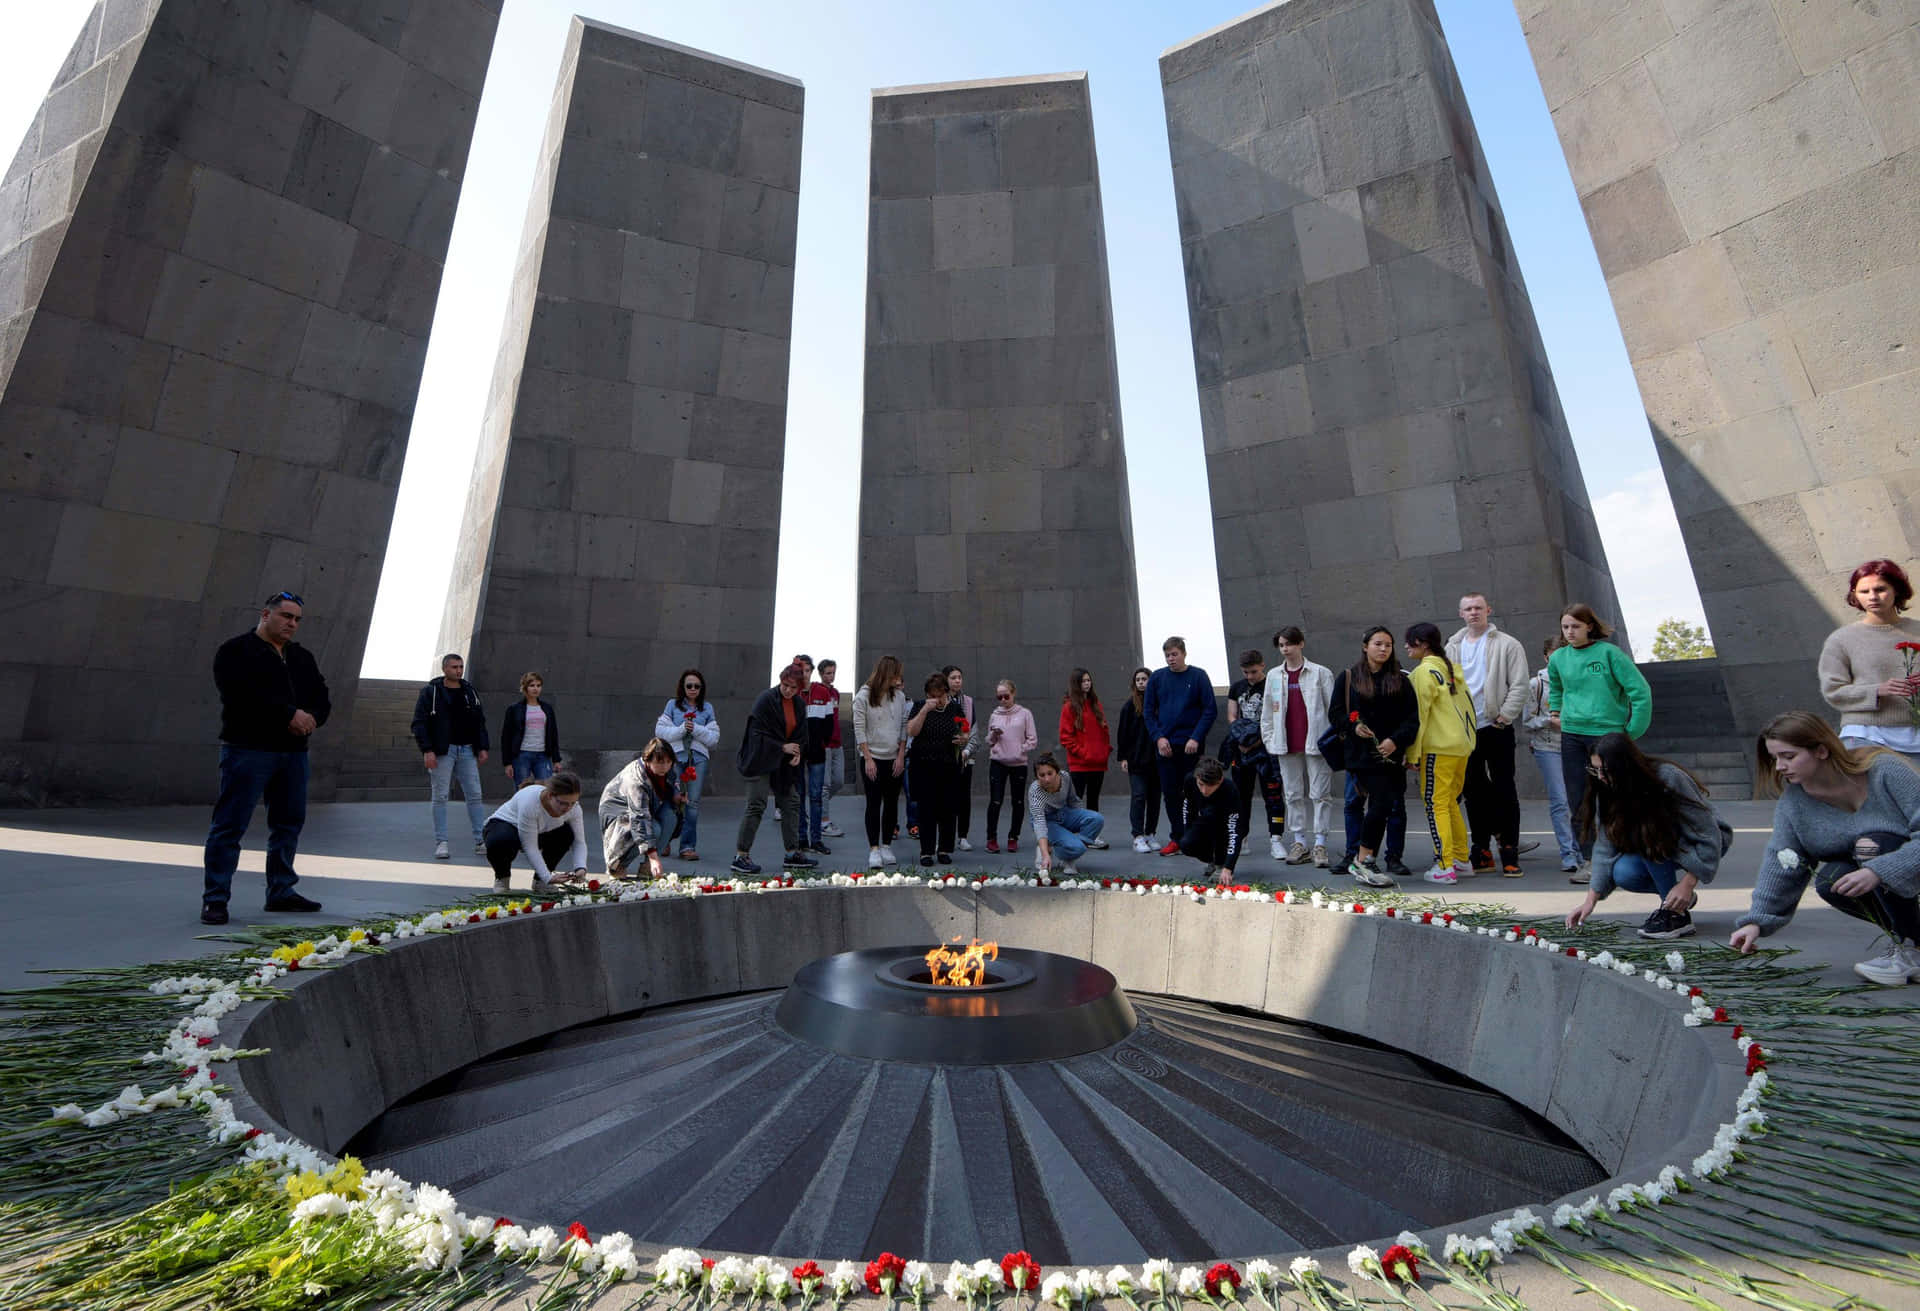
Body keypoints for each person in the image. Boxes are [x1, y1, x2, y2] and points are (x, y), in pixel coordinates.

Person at [1730, 711, 1920, 983]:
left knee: (1870, 846)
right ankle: (1913, 945)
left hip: (1909, 864)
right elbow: (1783, 862)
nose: (1779, 766)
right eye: (1774, 758)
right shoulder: (1794, 804)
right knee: (1832, 880)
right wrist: (1756, 921)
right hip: (1890, 876)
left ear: (1821, 751)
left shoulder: (1884, 770)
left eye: (1788, 756)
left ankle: (1911, 947)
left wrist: (1879, 870)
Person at [201, 591, 330, 925]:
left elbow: (321, 697)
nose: (292, 624)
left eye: (297, 619)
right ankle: (215, 899)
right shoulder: (235, 650)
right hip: (247, 749)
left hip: (293, 753)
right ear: (265, 614)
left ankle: (281, 891)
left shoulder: (301, 657)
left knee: (288, 824)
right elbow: (240, 696)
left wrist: (311, 718)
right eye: (286, 616)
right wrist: (288, 714)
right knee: (229, 825)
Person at [1563, 733, 1729, 941]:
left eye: (1605, 770)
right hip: (1656, 843)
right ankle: (1675, 898)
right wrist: (1590, 901)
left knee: (1648, 835)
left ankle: (1676, 915)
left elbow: (1708, 831)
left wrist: (1688, 883)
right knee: (1624, 873)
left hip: (1704, 841)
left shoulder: (1668, 777)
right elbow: (1605, 847)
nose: (1601, 777)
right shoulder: (1607, 788)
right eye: (1595, 770)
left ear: (1625, 766)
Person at [1548, 602, 1653, 880]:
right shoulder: (1558, 658)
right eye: (1565, 626)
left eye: (1576, 626)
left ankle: (1626, 854)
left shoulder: (1609, 654)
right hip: (1572, 735)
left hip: (1608, 734)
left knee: (1616, 798)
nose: (1570, 632)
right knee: (1578, 799)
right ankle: (1589, 861)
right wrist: (1556, 711)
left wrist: (1632, 731)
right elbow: (1556, 687)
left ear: (1590, 626)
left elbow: (1640, 691)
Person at [1327, 627, 1420, 888]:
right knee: (1378, 803)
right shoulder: (1348, 677)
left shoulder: (1401, 680)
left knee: (1386, 805)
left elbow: (1412, 719)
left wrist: (1395, 741)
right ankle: (1363, 860)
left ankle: (1368, 859)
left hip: (1392, 754)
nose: (1383, 649)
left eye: (1388, 645)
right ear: (1365, 646)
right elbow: (1335, 714)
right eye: (1378, 644)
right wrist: (1354, 726)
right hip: (1362, 755)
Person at [1446, 593, 1529, 875]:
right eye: (1468, 608)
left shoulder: (1508, 644)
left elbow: (1519, 684)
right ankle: (1481, 849)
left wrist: (1505, 716)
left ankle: (1509, 850)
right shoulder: (1452, 648)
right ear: (1461, 613)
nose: (1474, 612)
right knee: (1473, 792)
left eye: (1478, 608)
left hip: (1496, 727)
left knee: (1505, 789)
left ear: (1488, 610)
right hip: (1465, 731)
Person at [1819, 559, 1920, 766]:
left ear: (1897, 590)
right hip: (1865, 734)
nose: (1872, 597)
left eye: (1880, 589)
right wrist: (1877, 690)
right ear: (1854, 595)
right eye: (1864, 591)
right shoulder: (1842, 639)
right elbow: (1833, 691)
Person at [1406, 622, 1477, 884]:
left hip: (1438, 748)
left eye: (1410, 642)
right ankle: (1460, 859)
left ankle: (1445, 865)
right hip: (1461, 747)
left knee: (1436, 804)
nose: (1406, 646)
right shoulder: (1451, 670)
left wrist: (1412, 754)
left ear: (1423, 644)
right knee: (1449, 803)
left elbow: (1419, 716)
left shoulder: (1424, 672)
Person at [733, 663, 815, 875]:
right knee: (756, 804)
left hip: (782, 762)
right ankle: (741, 855)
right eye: (785, 685)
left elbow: (801, 734)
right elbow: (755, 734)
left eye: (793, 687)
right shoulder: (766, 699)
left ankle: (792, 853)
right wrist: (782, 747)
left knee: (791, 802)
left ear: (799, 688)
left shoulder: (798, 704)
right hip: (759, 759)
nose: (788, 690)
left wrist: (797, 753)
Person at [1262, 628, 1333, 868]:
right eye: (1281, 645)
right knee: (1292, 794)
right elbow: (1267, 712)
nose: (1285, 649)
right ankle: (1299, 842)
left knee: (1320, 794)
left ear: (1301, 644)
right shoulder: (1274, 676)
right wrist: (1270, 740)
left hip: (1316, 742)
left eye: (1289, 644)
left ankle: (1320, 843)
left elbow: (1332, 710)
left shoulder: (1320, 673)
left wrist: (1331, 739)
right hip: (1285, 743)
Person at [411, 653, 490, 861]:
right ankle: (442, 842)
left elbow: (479, 721)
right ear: (445, 668)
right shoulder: (431, 692)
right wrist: (427, 750)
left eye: (461, 667)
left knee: (475, 795)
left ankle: (480, 840)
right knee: (440, 796)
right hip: (442, 752)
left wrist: (482, 747)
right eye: (454, 667)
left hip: (467, 750)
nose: (459, 670)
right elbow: (419, 723)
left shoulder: (469, 691)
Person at [1144, 637, 1217, 855]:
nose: (1171, 659)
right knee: (1170, 793)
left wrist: (1196, 737)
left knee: (1195, 791)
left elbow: (1209, 710)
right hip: (1166, 747)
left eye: (1174, 654)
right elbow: (1148, 712)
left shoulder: (1198, 676)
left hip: (1191, 746)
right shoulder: (1157, 678)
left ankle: (1194, 836)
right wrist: (1158, 738)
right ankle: (1177, 838)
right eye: (1167, 655)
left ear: (1184, 653)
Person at [1523, 637, 1583, 875]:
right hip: (1547, 747)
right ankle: (1568, 854)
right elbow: (1527, 721)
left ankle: (1582, 850)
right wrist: (1549, 721)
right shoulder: (1536, 684)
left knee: (1579, 800)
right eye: (1553, 655)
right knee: (1560, 800)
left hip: (1577, 746)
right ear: (1546, 657)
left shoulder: (1579, 680)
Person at [1224, 649, 1286, 860]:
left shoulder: (1273, 685)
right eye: (1245, 672)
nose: (1250, 676)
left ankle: (1276, 839)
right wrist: (1242, 739)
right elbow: (1232, 716)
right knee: (1241, 796)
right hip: (1242, 749)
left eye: (1253, 671)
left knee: (1273, 795)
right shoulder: (1237, 687)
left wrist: (1258, 741)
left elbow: (1277, 717)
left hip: (1267, 749)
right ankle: (1241, 838)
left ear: (1262, 665)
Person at [482, 771, 589, 893]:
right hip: (506, 826)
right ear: (550, 795)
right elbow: (530, 847)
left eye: (572, 803)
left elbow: (579, 842)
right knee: (499, 841)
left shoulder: (575, 809)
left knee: (566, 834)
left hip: (538, 830)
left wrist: (581, 868)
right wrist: (548, 877)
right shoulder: (531, 804)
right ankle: (502, 878)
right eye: (562, 803)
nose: (567, 808)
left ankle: (540, 882)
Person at [853, 655, 910, 868]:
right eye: (897, 674)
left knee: (892, 802)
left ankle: (886, 845)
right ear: (888, 674)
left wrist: (901, 755)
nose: (899, 678)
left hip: (894, 757)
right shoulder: (863, 696)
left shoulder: (900, 696)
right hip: (872, 758)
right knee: (874, 803)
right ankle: (874, 849)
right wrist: (868, 758)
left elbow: (904, 726)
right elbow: (859, 729)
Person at [655, 669, 719, 860]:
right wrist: (682, 729)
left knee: (692, 803)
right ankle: (664, 841)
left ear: (701, 688)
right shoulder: (672, 705)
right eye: (689, 685)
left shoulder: (707, 708)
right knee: (670, 799)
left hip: (698, 759)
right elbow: (660, 731)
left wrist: (696, 729)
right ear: (682, 687)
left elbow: (713, 739)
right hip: (674, 758)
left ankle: (687, 846)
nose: (692, 689)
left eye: (696, 686)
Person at [906, 671, 967, 866]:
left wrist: (963, 739)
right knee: (926, 809)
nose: (936, 700)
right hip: (924, 765)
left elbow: (964, 730)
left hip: (948, 765)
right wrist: (925, 710)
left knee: (947, 809)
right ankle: (926, 851)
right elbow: (911, 731)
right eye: (932, 695)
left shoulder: (955, 708)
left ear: (946, 693)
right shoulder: (919, 706)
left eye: (940, 695)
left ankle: (944, 849)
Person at [598, 741, 674, 881]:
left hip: (645, 808)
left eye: (668, 762)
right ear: (647, 759)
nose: (665, 767)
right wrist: (653, 857)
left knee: (670, 816)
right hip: (619, 813)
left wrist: (677, 797)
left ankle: (647, 867)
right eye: (660, 762)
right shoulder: (636, 781)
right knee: (654, 829)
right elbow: (640, 818)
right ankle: (618, 865)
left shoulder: (665, 770)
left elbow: (668, 789)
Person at [1029, 753, 1105, 876]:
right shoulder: (1035, 791)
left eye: (1050, 773)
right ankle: (1050, 847)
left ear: (1057, 772)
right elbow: (1039, 823)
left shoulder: (1065, 777)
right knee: (1078, 847)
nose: (1047, 779)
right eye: (1042, 775)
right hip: (1047, 821)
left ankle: (1068, 855)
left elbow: (1073, 801)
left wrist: (1078, 823)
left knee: (1097, 819)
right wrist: (1045, 855)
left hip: (1064, 813)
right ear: (1037, 776)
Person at [1060, 667, 1112, 846]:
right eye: (1083, 681)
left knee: (1093, 800)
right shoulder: (1069, 707)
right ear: (1076, 683)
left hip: (1098, 763)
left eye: (1089, 680)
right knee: (1075, 802)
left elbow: (1103, 731)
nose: (1087, 684)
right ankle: (1069, 836)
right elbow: (1066, 737)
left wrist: (1104, 751)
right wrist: (1084, 754)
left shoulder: (1096, 704)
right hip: (1080, 764)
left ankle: (1092, 836)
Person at [985, 679, 1037, 853]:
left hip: (1018, 763)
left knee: (1018, 801)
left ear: (1013, 694)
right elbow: (989, 741)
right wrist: (994, 734)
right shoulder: (995, 715)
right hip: (998, 762)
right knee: (995, 800)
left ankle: (1013, 837)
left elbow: (1032, 739)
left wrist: (1020, 749)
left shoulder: (1025, 714)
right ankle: (991, 838)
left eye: (1006, 696)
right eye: (999, 697)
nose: (1003, 700)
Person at [1116, 667, 1162, 854]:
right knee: (1139, 796)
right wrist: (1123, 757)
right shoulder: (1129, 706)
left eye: (1144, 679)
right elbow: (1122, 733)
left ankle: (1150, 833)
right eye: (1138, 680)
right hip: (1136, 759)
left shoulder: (1158, 703)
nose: (1141, 682)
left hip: (1156, 759)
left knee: (1155, 798)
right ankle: (1137, 836)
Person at [1176, 755, 1242, 884]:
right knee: (1186, 843)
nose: (1204, 790)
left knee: (1219, 824)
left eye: (1210, 785)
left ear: (1220, 780)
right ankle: (1212, 860)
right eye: (1201, 784)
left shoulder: (1230, 790)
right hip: (1205, 819)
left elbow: (1234, 831)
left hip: (1226, 825)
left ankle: (1221, 864)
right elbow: (1188, 809)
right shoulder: (1190, 781)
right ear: (1196, 777)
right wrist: (1188, 834)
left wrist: (1228, 867)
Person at [807, 658, 847, 845]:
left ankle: (817, 808)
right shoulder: (817, 690)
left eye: (833, 673)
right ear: (821, 674)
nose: (831, 676)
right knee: (825, 784)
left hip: (837, 743)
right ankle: (823, 821)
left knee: (838, 781)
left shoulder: (835, 693)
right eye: (828, 673)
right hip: (826, 744)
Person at [501, 671, 560, 788]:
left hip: (543, 755)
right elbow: (506, 736)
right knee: (523, 791)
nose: (535, 689)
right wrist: (507, 763)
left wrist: (556, 759)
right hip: (522, 755)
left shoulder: (547, 708)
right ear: (525, 687)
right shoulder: (514, 709)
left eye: (538, 685)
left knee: (545, 790)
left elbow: (553, 734)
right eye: (532, 685)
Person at [944, 665, 980, 850]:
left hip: (965, 757)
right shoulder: (941, 700)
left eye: (959, 677)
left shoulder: (968, 701)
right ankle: (945, 837)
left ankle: (963, 836)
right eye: (953, 678)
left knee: (964, 798)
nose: (957, 681)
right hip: (945, 757)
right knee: (946, 798)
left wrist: (966, 751)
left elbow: (973, 730)